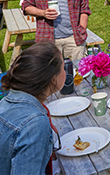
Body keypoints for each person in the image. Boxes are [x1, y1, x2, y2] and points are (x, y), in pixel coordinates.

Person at [0, 42, 66, 175]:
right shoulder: (35, 124)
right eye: (63, 67)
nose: (65, 71)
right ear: (53, 79)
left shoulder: (6, 102)